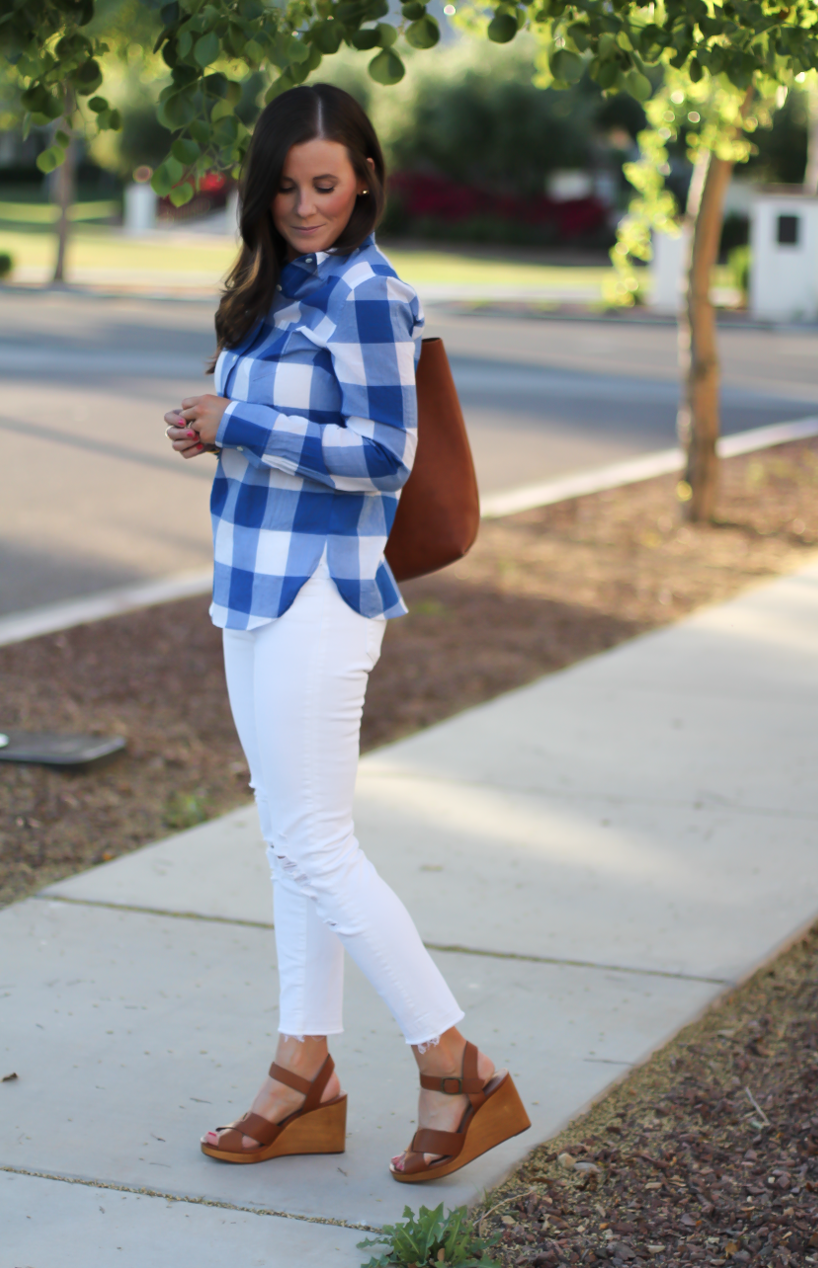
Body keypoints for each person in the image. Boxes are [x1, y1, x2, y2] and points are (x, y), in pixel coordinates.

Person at [164, 83, 529, 1183]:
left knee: (316, 843)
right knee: (289, 837)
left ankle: (456, 1061)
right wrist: (212, 429)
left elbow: (382, 455)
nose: (305, 204)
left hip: (323, 590)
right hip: (251, 581)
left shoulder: (373, 293)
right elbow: (280, 433)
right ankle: (304, 1070)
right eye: (286, 186)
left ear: (364, 178)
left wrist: (246, 423)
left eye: (325, 184)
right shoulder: (274, 289)